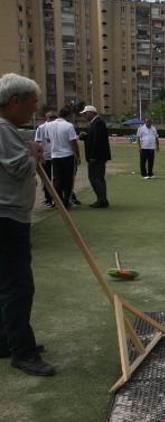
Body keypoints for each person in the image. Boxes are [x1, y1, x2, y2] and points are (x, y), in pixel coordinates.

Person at [0, 73, 55, 376]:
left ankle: (6, 340)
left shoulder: (7, 129)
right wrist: (33, 154)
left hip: (9, 215)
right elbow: (21, 168)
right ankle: (22, 351)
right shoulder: (3, 129)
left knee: (7, 284)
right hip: (7, 218)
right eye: (31, 105)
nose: (33, 111)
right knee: (19, 286)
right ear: (14, 101)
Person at [46, 107, 80, 209]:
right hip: (67, 155)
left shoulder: (49, 125)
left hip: (55, 155)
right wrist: (77, 155)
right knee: (68, 180)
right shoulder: (68, 125)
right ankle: (66, 201)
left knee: (57, 180)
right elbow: (73, 142)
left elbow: (48, 139)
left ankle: (58, 201)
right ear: (68, 116)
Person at [80, 105, 111, 208]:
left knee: (95, 177)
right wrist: (86, 137)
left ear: (92, 113)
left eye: (85, 113)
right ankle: (102, 199)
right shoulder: (96, 123)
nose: (84, 115)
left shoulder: (98, 123)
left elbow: (97, 141)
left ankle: (101, 200)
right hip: (98, 156)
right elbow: (95, 138)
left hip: (96, 156)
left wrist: (93, 156)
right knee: (98, 178)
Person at [34, 110, 56, 207]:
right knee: (47, 179)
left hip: (55, 156)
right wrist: (40, 156)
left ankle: (53, 199)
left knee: (52, 179)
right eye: (50, 117)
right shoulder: (41, 127)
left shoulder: (56, 127)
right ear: (46, 118)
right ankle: (49, 199)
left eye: (53, 117)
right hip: (48, 156)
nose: (52, 119)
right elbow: (38, 142)